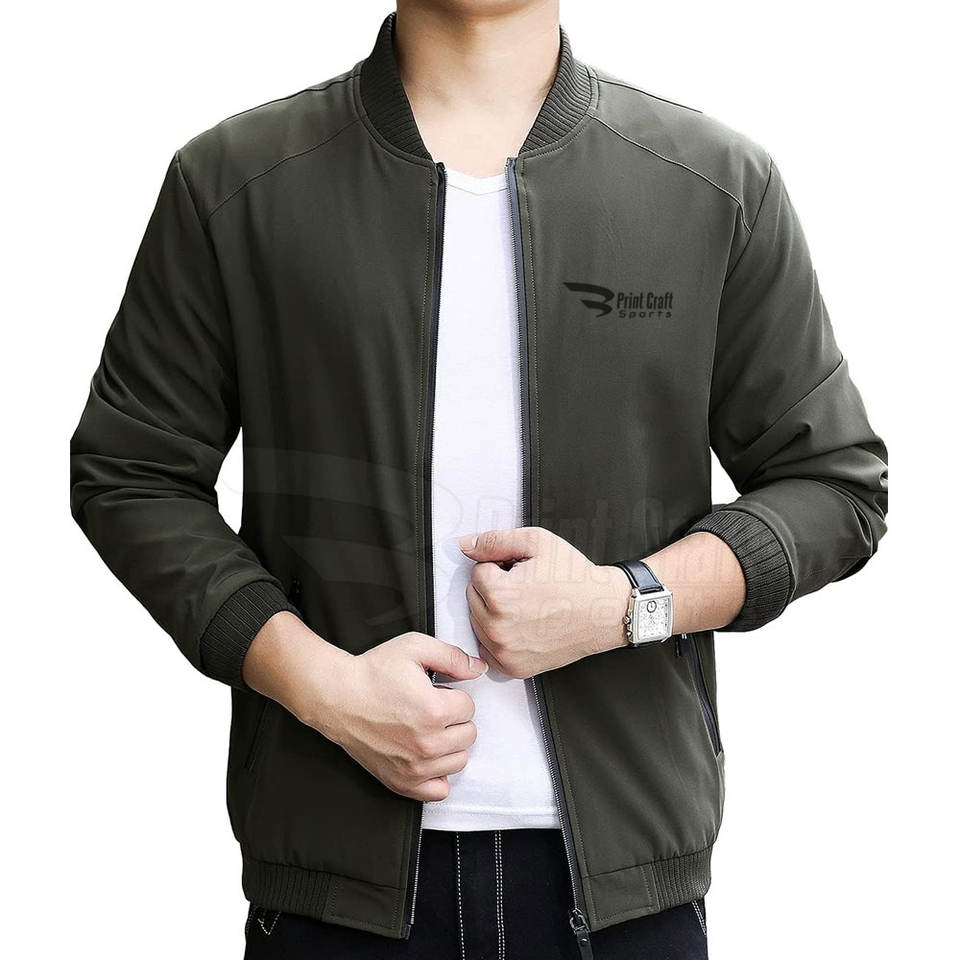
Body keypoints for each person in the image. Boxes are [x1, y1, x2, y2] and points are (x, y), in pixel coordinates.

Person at [69, 2, 888, 957]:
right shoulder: (236, 183)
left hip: (622, 893)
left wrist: (626, 603)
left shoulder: (712, 184)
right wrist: (323, 687)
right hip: (332, 886)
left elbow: (834, 485)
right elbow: (132, 472)